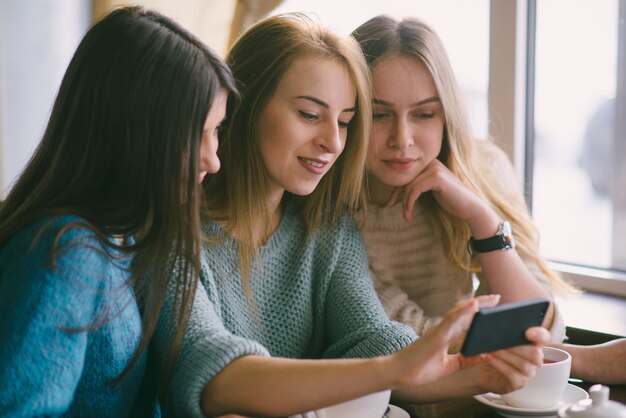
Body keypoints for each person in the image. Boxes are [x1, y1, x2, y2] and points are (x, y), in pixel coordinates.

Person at [154, 13, 550, 418]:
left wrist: (478, 378)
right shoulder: (176, 231)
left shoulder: (326, 229)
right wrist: (400, 367)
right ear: (243, 106)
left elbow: (375, 340)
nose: (332, 142)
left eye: (345, 122)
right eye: (310, 115)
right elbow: (218, 378)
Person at [351, 14, 626, 384]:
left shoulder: (484, 170)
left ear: (447, 116)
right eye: (380, 114)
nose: (403, 138)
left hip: (480, 393)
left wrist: (482, 219)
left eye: (425, 114)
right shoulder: (337, 213)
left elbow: (540, 318)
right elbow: (402, 337)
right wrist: (576, 361)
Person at [0, 6, 237, 416]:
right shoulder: (68, 255)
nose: (213, 160)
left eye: (215, 132)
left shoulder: (125, 238)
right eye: (197, 133)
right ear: (139, 132)